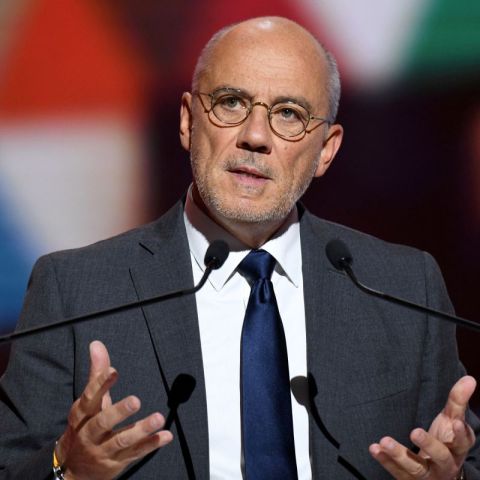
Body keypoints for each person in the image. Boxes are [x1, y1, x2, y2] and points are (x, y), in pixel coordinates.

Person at [0, 16, 479, 480]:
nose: (254, 137)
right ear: (188, 121)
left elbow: (461, 460)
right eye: (231, 103)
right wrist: (68, 468)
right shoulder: (75, 291)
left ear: (326, 150)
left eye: (289, 114)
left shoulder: (403, 288)